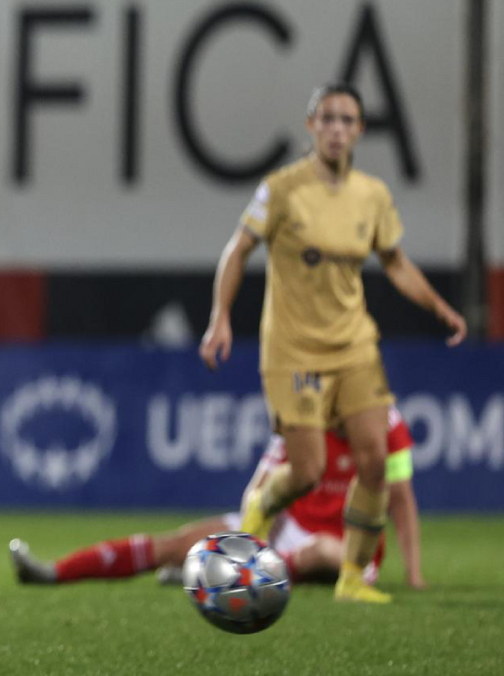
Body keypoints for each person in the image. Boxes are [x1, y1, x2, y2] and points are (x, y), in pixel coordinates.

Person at [197, 82, 464, 603]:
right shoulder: (282, 188)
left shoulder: (372, 195)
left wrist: (438, 307)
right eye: (328, 119)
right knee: (308, 470)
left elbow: (395, 262)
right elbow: (238, 249)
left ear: (360, 130)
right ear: (311, 126)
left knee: (375, 462)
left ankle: (350, 578)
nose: (338, 129)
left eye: (347, 121)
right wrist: (220, 317)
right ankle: (260, 503)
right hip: (295, 349)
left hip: (355, 347)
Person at [10, 408, 425, 590]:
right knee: (176, 543)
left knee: (321, 553)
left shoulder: (386, 424)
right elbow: (259, 490)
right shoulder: (299, 419)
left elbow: (401, 500)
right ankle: (55, 572)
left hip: (349, 543)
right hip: (287, 526)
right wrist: (252, 530)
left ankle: (222, 575)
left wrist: (414, 575)